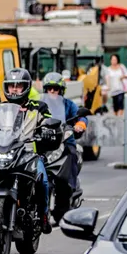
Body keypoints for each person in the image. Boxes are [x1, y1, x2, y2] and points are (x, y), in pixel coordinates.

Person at [0, 67, 56, 234]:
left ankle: (44, 216)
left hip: (30, 153)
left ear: (27, 87)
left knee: (43, 181)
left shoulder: (39, 107)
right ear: (6, 88)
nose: (14, 89)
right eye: (11, 86)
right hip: (4, 149)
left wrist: (46, 129)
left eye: (19, 85)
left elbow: (48, 121)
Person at [40, 72, 89, 206]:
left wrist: (80, 124)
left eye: (55, 89)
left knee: (71, 154)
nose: (52, 91)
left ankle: (72, 185)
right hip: (44, 143)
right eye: (49, 89)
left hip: (64, 141)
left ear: (61, 90)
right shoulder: (40, 105)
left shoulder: (69, 105)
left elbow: (80, 116)